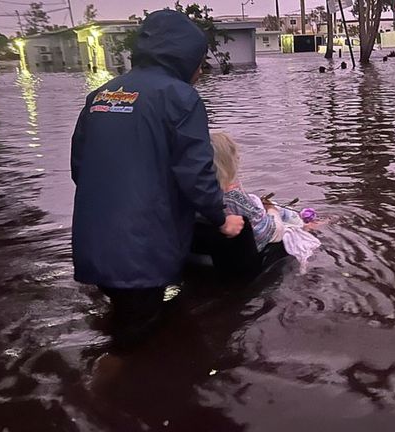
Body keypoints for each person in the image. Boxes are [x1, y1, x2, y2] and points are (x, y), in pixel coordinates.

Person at [70, 10, 244, 348]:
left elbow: (80, 168)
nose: (200, 71)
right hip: (141, 253)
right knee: (136, 339)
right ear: (185, 58)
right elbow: (196, 171)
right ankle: (102, 384)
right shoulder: (180, 97)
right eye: (199, 62)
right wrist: (221, 219)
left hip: (94, 245)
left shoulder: (101, 95)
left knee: (128, 314)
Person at [209, 132, 320, 271]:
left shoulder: (195, 196)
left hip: (209, 252)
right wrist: (271, 208)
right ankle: (308, 226)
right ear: (229, 161)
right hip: (244, 256)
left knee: (268, 208)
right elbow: (273, 231)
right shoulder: (233, 197)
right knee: (284, 221)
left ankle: (307, 224)